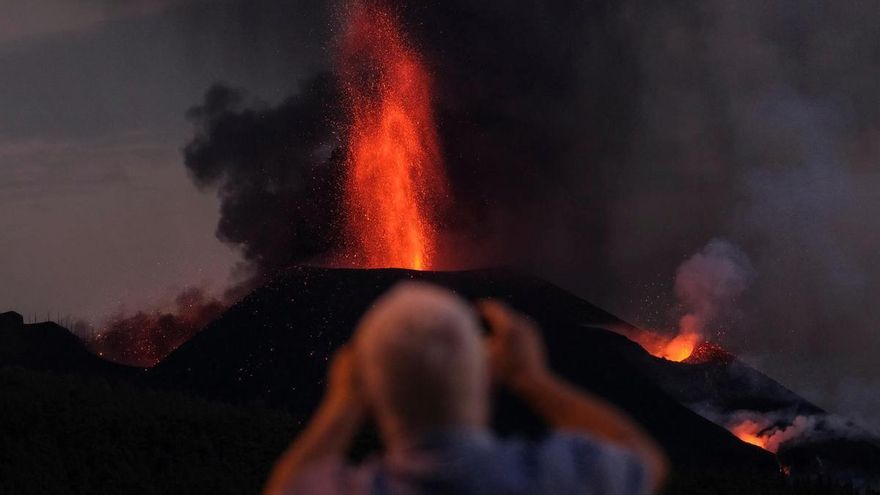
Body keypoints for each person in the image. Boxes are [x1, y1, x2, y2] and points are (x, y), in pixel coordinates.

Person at [264, 282, 669, 495]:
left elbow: (286, 488)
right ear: (486, 374)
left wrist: (344, 403)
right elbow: (640, 458)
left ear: (369, 388)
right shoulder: (550, 480)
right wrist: (533, 379)